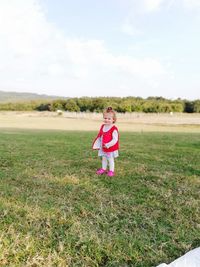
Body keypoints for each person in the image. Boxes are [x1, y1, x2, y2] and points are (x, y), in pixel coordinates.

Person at [92, 107, 119, 177]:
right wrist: (98, 143)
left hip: (109, 148)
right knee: (104, 158)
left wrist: (108, 145)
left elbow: (115, 140)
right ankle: (103, 169)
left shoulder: (113, 128)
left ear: (113, 120)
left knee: (110, 159)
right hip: (103, 147)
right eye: (105, 118)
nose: (106, 120)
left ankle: (111, 171)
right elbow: (100, 136)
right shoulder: (103, 126)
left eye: (109, 119)